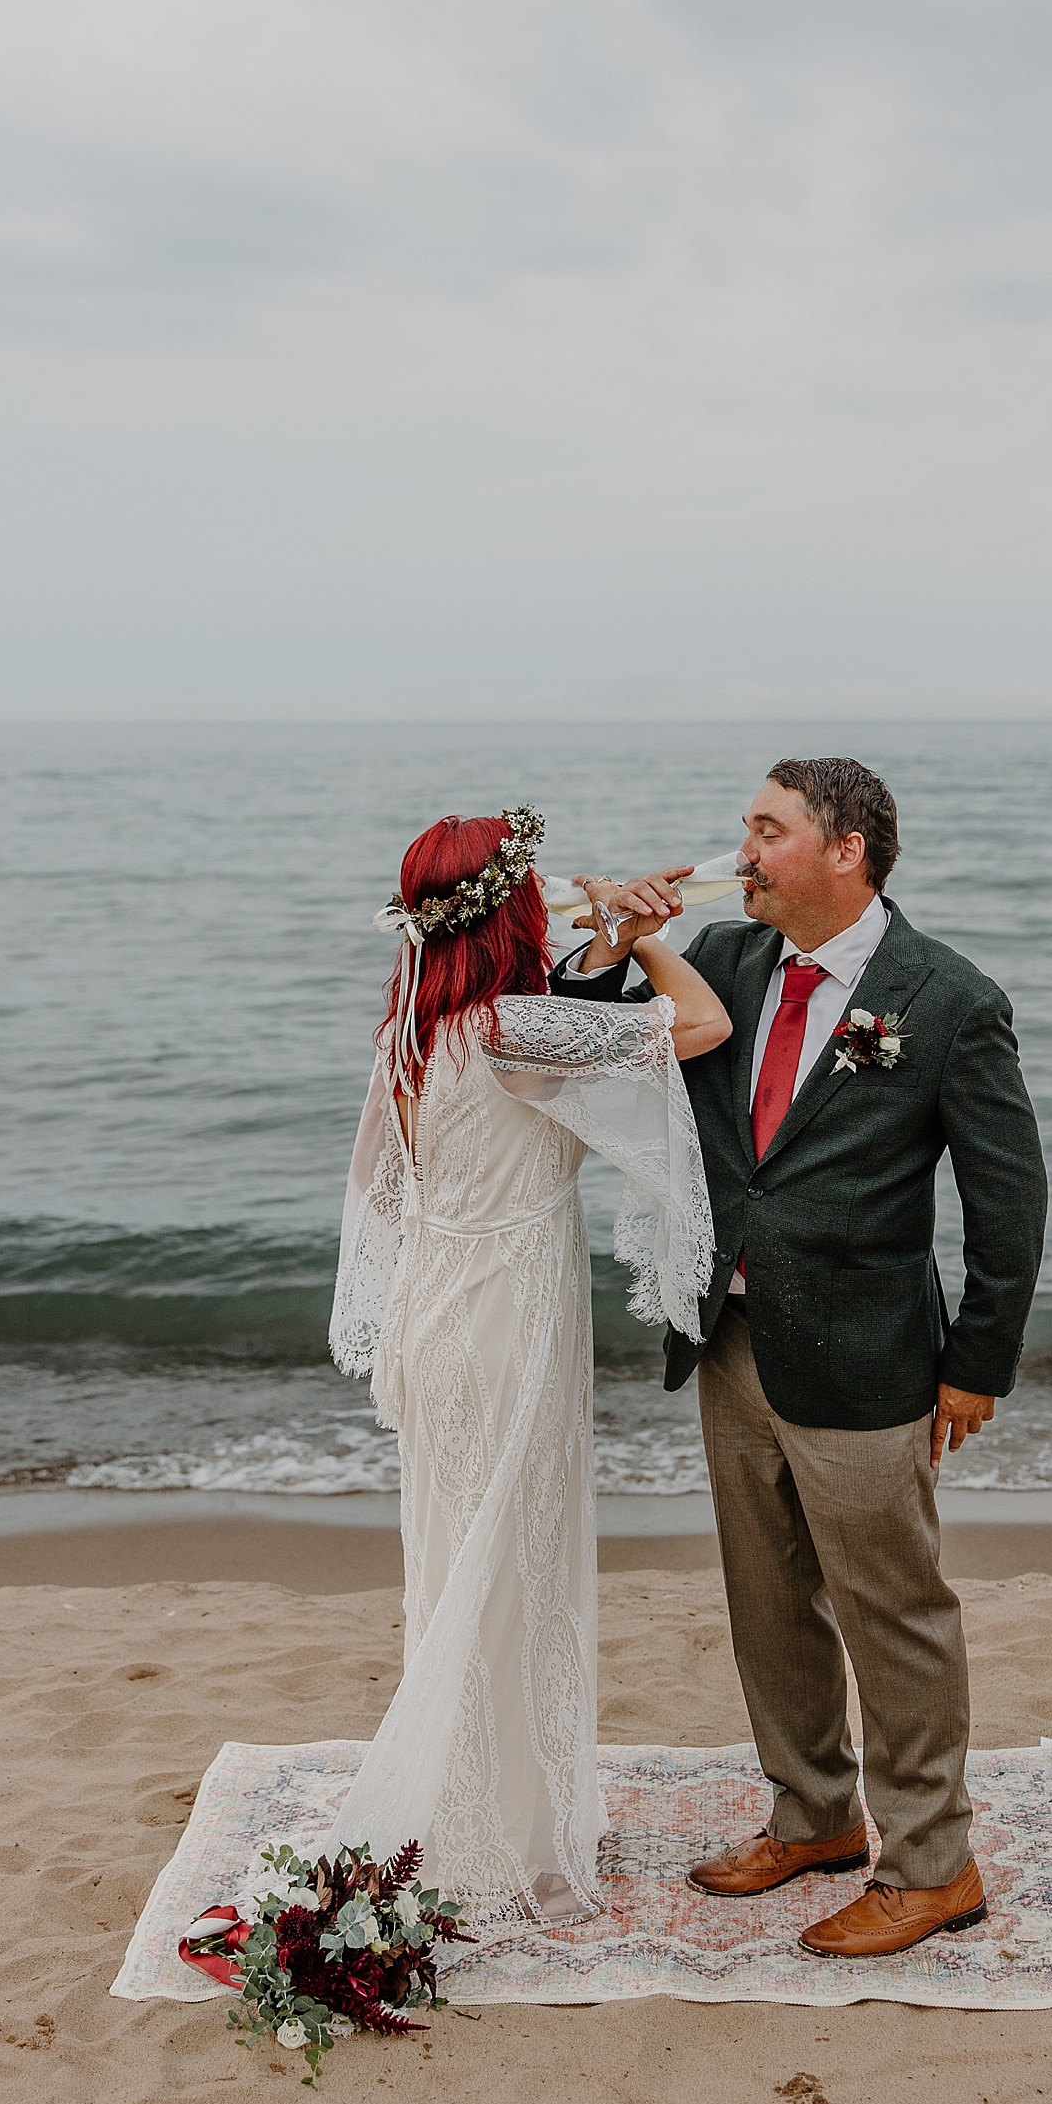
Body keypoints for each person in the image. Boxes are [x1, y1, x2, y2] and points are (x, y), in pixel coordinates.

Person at [553, 758, 1048, 1959]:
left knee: (895, 1614)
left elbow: (1009, 1196)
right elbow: (589, 1028)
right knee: (767, 1600)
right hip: (729, 1341)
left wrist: (976, 1363)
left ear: (847, 850)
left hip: (869, 1356)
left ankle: (934, 1865)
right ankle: (816, 1816)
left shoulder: (946, 998)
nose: (744, 850)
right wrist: (615, 939)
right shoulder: (720, 960)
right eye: (745, 828)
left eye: (767, 831)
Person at [326, 806, 730, 1932]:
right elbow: (698, 1021)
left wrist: (604, 939)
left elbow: (408, 1177)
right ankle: (523, 1847)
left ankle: (485, 1809)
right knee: (517, 1574)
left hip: (439, 1314)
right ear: (510, 911)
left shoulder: (417, 1029)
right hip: (508, 1327)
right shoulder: (513, 1031)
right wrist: (646, 938)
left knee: (463, 1568)